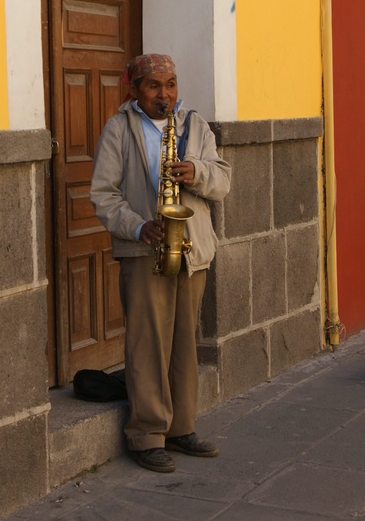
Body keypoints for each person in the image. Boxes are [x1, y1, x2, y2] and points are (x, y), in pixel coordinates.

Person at [90, 54, 232, 473]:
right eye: (154, 86)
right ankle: (147, 434)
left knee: (185, 341)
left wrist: (197, 171)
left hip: (191, 249)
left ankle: (181, 428)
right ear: (133, 89)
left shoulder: (195, 126)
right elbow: (103, 194)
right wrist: (137, 227)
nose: (165, 94)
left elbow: (222, 180)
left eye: (170, 85)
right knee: (148, 344)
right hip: (144, 249)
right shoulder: (119, 128)